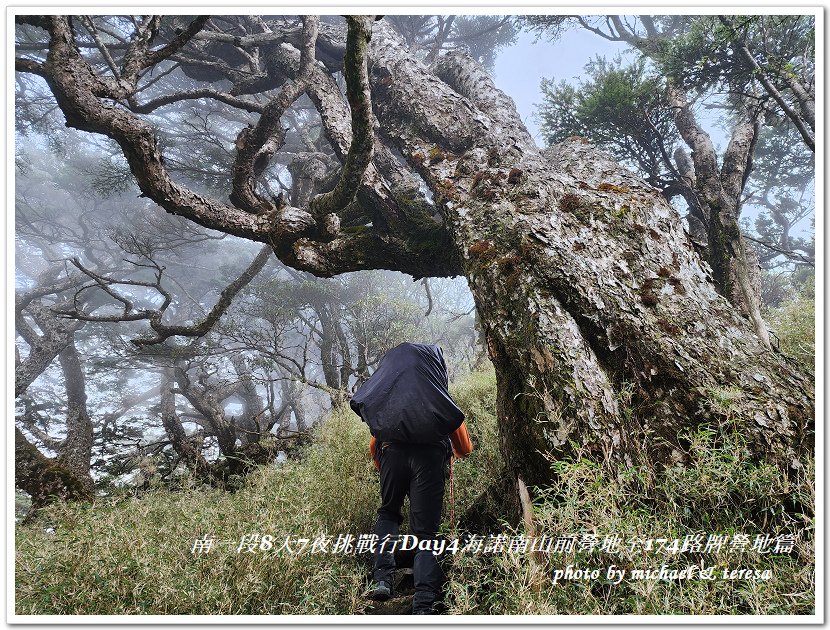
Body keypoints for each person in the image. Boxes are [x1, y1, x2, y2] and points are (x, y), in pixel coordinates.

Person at [349, 342, 473, 615]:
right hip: (429, 460)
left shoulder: (390, 404)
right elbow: (464, 448)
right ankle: (425, 602)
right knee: (426, 532)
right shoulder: (440, 400)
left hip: (391, 455)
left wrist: (386, 464)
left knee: (388, 513)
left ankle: (382, 578)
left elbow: (374, 445)